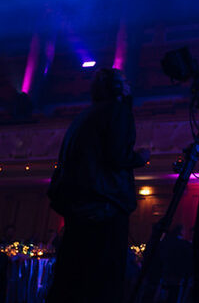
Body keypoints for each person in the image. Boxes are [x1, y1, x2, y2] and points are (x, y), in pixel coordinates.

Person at [45, 68, 150, 303]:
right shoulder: (117, 111)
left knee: (72, 276)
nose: (129, 85)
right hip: (105, 205)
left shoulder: (83, 116)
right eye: (124, 81)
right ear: (117, 88)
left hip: (79, 207)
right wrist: (140, 157)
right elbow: (116, 156)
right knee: (102, 279)